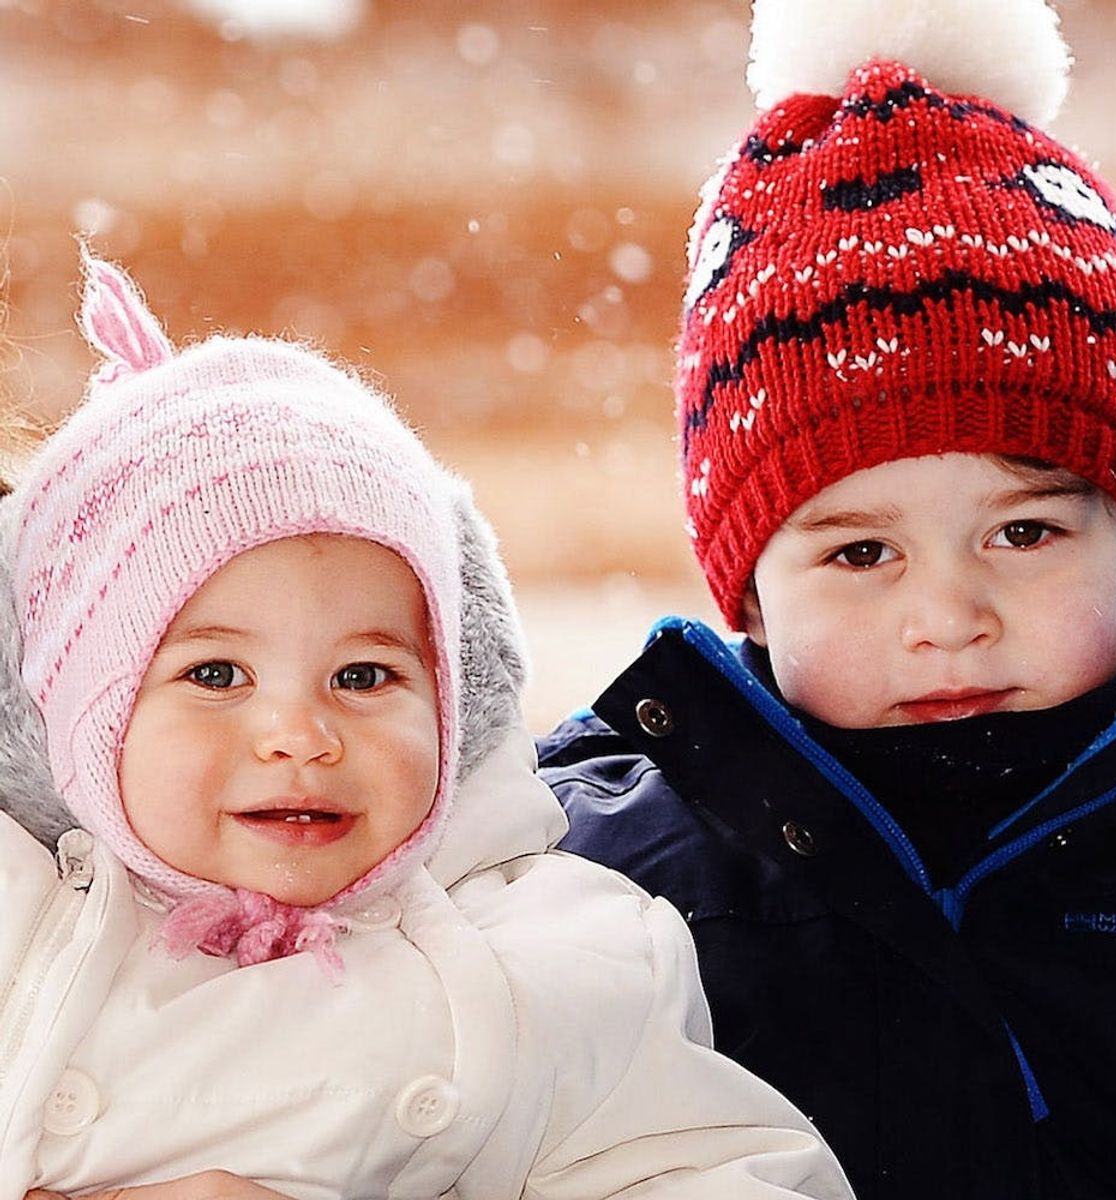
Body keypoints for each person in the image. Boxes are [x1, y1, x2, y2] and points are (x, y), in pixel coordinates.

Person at [0, 250, 853, 1200]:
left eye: (363, 675)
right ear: (79, 712)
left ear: (451, 702)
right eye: (215, 673)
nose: (299, 734)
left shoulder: (552, 960)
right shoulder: (18, 923)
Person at [537, 0, 1116, 1197]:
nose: (948, 616)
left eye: (1025, 530)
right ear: (749, 591)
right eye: (859, 555)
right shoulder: (600, 888)